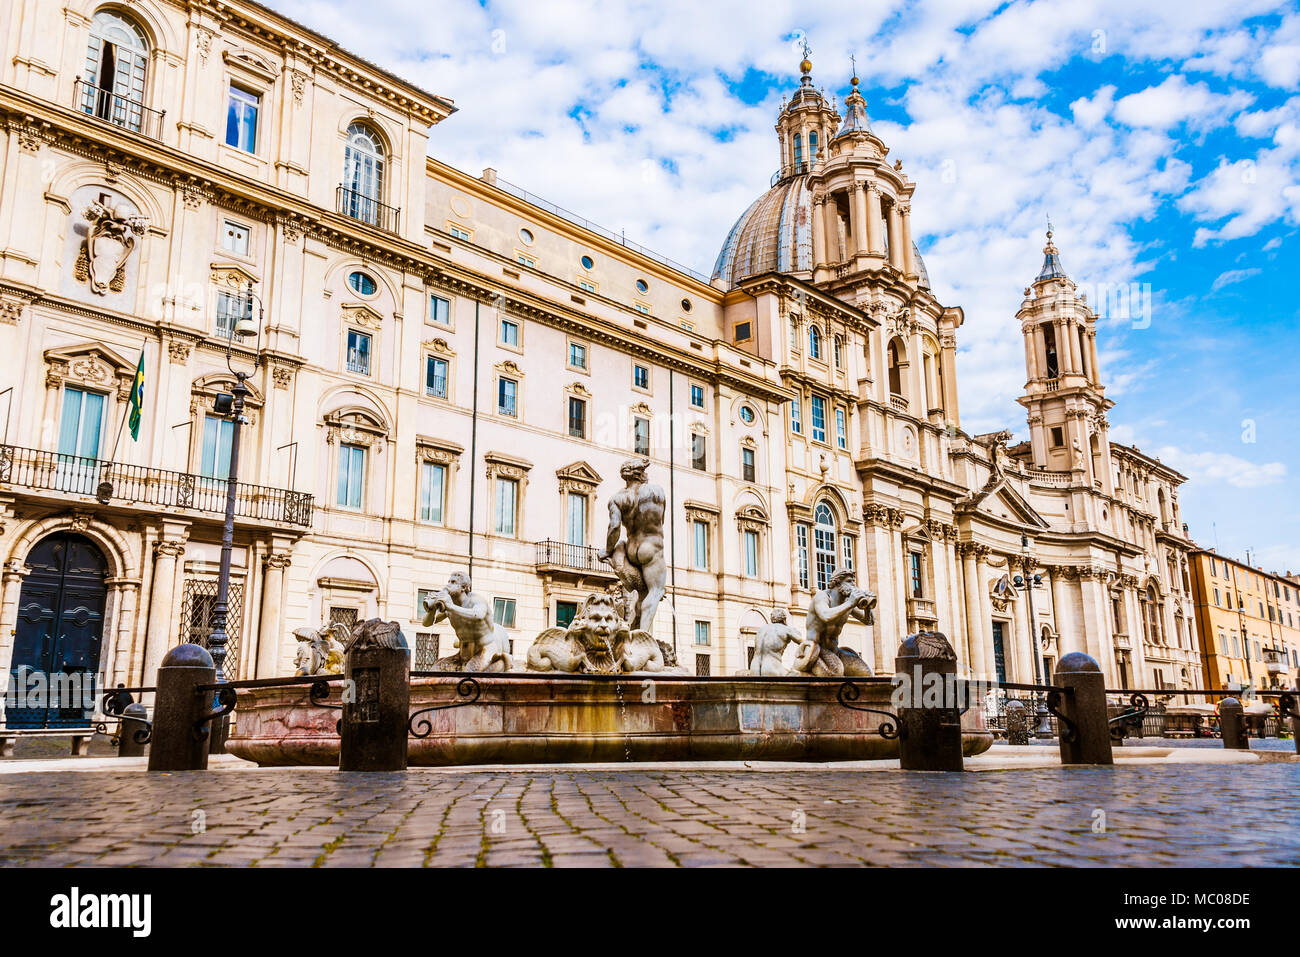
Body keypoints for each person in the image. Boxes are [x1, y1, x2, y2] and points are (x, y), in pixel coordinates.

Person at [598, 459, 667, 632]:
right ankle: (642, 637)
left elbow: (614, 527)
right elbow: (661, 521)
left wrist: (607, 551)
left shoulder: (618, 498)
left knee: (642, 594)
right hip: (651, 548)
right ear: (641, 473)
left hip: (630, 548)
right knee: (656, 591)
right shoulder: (657, 492)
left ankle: (633, 628)